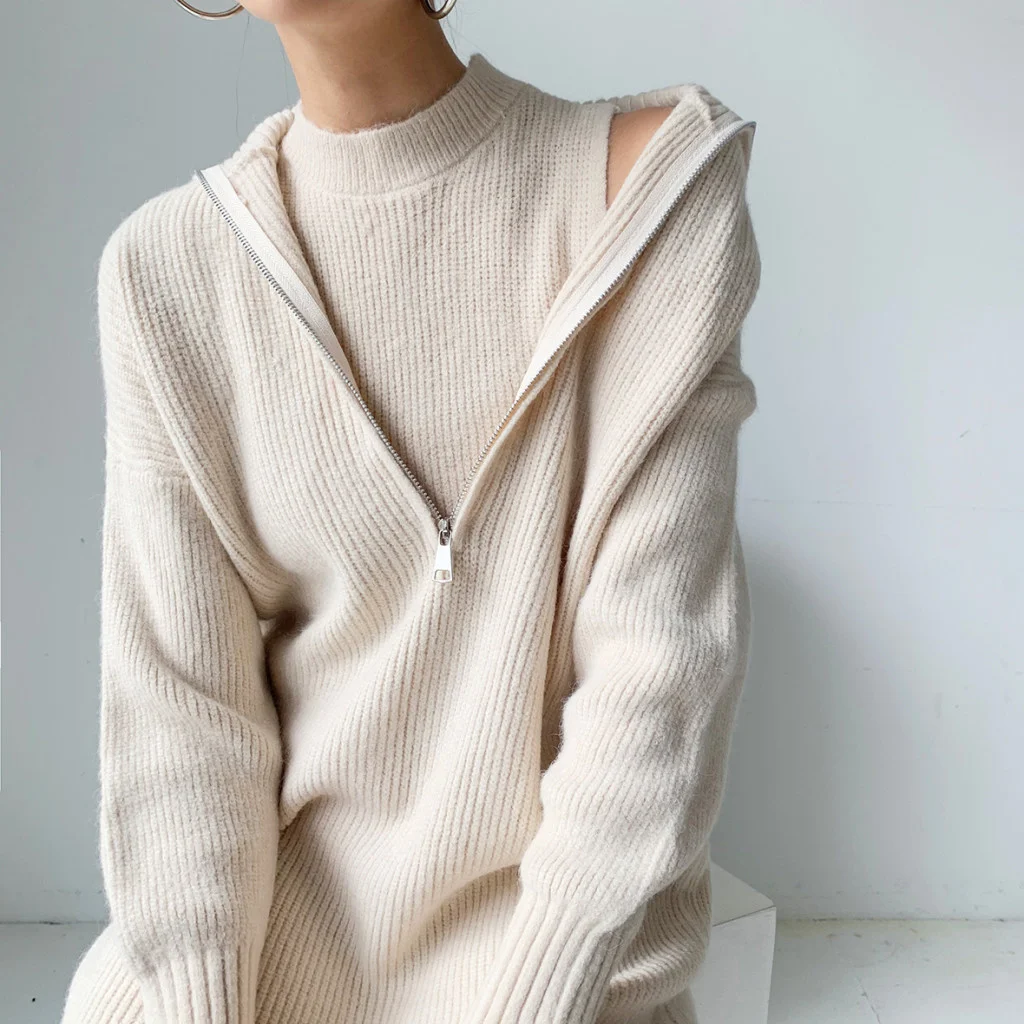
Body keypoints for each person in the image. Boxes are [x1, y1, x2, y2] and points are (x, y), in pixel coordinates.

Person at [61, 1, 762, 1022]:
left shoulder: (646, 192)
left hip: (551, 976)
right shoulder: (168, 270)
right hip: (249, 963)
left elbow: (661, 671)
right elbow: (182, 720)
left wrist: (538, 998)